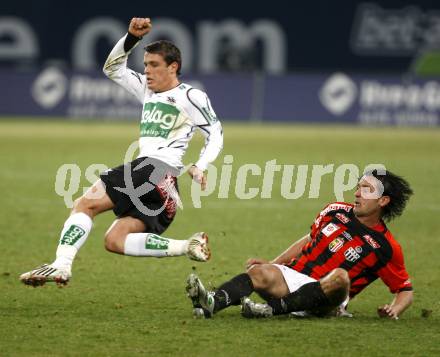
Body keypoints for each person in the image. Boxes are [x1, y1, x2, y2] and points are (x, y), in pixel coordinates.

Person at [20, 17, 223, 286]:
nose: (147, 71)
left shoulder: (190, 96)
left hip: (154, 169)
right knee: (115, 241)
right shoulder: (147, 91)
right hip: (166, 188)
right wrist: (130, 39)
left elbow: (215, 132)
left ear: (173, 67)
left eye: (154, 65)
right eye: (145, 65)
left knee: (84, 205)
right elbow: (112, 68)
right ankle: (189, 245)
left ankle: (61, 264)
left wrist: (201, 165)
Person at [187, 170, 414, 320]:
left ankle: (269, 310)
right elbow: (309, 239)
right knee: (257, 272)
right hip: (294, 279)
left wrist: (395, 309)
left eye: (366, 190)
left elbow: (405, 290)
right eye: (358, 187)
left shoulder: (385, 246)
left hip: (326, 298)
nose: (356, 193)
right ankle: (212, 303)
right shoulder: (335, 210)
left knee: (340, 277)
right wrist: (274, 264)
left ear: (383, 201)